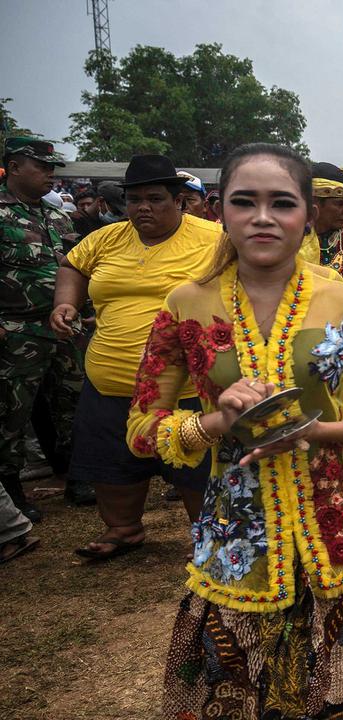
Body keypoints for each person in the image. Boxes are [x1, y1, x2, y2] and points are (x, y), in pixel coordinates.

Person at [125, 143, 343, 718]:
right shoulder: (186, 304)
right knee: (243, 697)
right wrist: (216, 421)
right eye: (245, 202)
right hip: (239, 534)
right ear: (221, 212)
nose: (263, 217)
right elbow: (142, 428)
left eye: (281, 203)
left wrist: (321, 432)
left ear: (308, 215)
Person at [51, 154, 221, 559]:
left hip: (185, 386)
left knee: (197, 466)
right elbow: (71, 266)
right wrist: (65, 304)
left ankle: (211, 535)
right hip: (111, 380)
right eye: (134, 199)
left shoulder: (214, 239)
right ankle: (123, 528)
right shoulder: (106, 238)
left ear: (178, 200)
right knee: (112, 461)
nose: (143, 207)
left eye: (155, 198)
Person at [0, 137, 91, 520]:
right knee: (11, 411)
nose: (50, 174)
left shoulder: (57, 217)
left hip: (64, 327)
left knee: (74, 402)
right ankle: (10, 490)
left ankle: (78, 476)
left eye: (52, 168)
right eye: (41, 167)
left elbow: (73, 267)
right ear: (15, 167)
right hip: (16, 330)